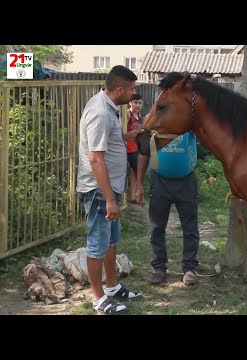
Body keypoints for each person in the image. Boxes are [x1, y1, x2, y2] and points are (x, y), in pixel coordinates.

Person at [76, 65, 143, 315]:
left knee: (111, 240)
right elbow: (95, 159)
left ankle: (112, 286)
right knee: (97, 243)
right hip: (98, 191)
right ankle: (98, 299)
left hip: (110, 188)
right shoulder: (100, 112)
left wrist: (129, 135)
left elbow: (110, 140)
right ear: (119, 89)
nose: (134, 93)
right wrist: (108, 199)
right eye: (133, 89)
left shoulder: (110, 108)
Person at [135, 115, 200, 287]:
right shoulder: (154, 124)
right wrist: (139, 184)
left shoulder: (188, 122)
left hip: (186, 181)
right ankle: (159, 268)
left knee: (190, 227)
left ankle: (189, 269)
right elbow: (144, 153)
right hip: (160, 181)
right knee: (157, 227)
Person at [124, 93, 144, 203]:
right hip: (126, 149)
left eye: (140, 103)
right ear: (130, 103)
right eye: (135, 102)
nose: (138, 105)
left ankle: (133, 197)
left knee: (134, 173)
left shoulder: (139, 117)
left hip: (135, 148)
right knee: (133, 172)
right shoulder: (128, 114)